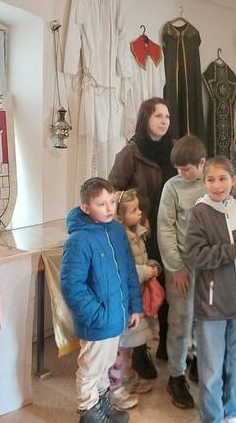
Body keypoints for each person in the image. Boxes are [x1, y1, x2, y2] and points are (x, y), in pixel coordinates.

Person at [183, 156, 236, 423]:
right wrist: (232, 250)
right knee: (211, 368)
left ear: (234, 180)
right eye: (211, 179)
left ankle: (232, 410)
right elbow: (194, 256)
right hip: (212, 303)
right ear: (204, 182)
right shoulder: (199, 212)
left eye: (223, 179)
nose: (217, 185)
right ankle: (212, 417)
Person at [60, 177, 142, 423]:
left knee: (105, 364)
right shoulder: (78, 240)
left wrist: (134, 306)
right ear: (86, 207)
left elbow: (128, 269)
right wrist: (98, 315)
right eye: (101, 204)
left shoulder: (116, 230)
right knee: (91, 367)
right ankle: (88, 411)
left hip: (116, 315)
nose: (109, 209)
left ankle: (102, 404)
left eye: (112, 202)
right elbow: (72, 286)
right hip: (98, 320)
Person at [109, 97, 175, 373]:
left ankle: (166, 343)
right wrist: (137, 211)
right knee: (141, 288)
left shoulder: (174, 150)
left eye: (167, 116)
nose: (164, 121)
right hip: (141, 233)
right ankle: (138, 351)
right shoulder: (131, 152)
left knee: (167, 286)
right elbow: (112, 192)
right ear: (145, 118)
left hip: (169, 229)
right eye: (158, 115)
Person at [157, 135, 207, 409]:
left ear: (201, 163)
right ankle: (176, 375)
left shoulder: (214, 183)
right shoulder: (172, 187)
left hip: (209, 266)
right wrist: (176, 268)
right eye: (177, 169)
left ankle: (197, 359)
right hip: (181, 267)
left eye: (186, 169)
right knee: (180, 320)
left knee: (203, 316)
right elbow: (165, 229)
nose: (181, 173)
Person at [108, 189, 161, 407]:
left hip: (136, 295)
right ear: (120, 216)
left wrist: (152, 266)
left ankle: (127, 377)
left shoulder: (137, 233)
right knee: (121, 347)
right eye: (134, 210)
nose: (140, 213)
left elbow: (141, 260)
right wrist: (146, 271)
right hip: (125, 300)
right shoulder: (120, 239)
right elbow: (124, 270)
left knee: (129, 345)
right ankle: (114, 387)